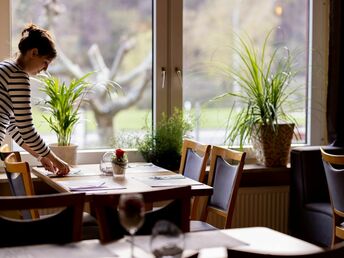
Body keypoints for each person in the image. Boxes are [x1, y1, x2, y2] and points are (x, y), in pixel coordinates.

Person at [0, 23, 70, 176]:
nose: (45, 69)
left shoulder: (7, 67)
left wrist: (40, 155)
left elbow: (13, 126)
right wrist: (56, 160)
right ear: (34, 52)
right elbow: (27, 129)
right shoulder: (17, 75)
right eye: (45, 62)